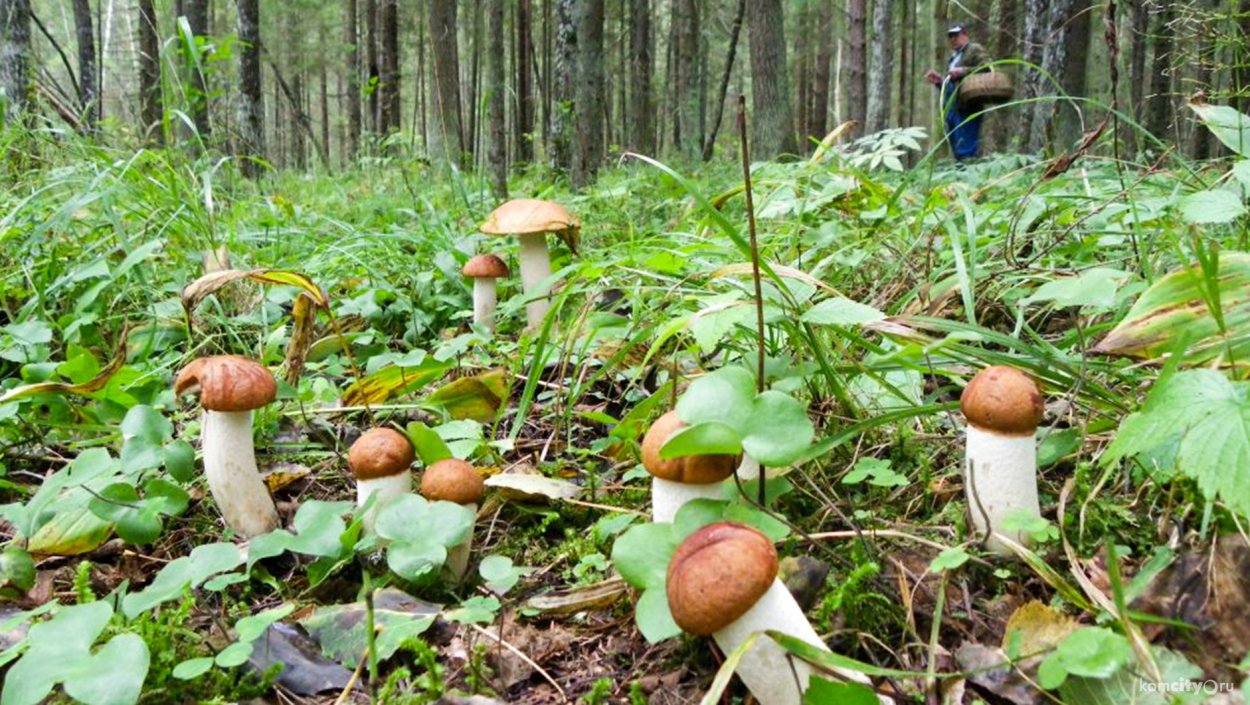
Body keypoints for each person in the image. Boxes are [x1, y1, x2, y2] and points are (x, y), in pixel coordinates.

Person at [925, 24, 990, 162]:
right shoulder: (954, 57)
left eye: (956, 35)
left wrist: (962, 71)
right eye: (950, 37)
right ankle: (959, 176)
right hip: (953, 107)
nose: (953, 39)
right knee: (956, 146)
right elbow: (954, 85)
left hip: (968, 105)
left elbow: (987, 69)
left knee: (966, 147)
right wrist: (939, 82)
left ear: (965, 34)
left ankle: (968, 176)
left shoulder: (974, 49)